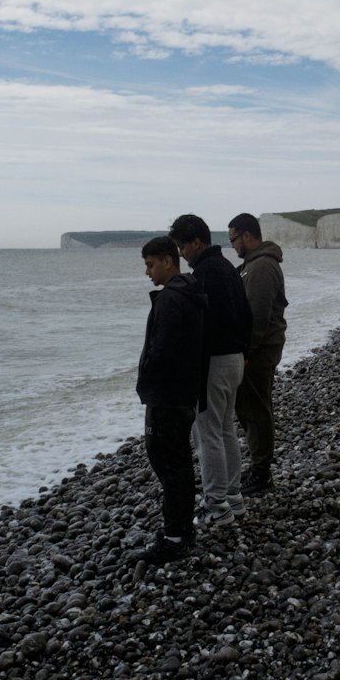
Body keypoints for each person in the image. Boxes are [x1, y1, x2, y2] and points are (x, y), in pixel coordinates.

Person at [169, 214, 253, 528]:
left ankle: (216, 506)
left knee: (208, 435)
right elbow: (247, 314)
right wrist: (244, 351)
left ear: (197, 242)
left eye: (182, 246)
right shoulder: (229, 269)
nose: (181, 253)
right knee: (226, 430)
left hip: (214, 362)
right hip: (234, 359)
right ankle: (233, 498)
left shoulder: (204, 274)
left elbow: (199, 328)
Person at [135, 235, 206, 566]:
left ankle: (174, 537)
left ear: (167, 260)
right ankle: (182, 531)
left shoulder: (170, 299)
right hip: (187, 392)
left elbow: (161, 350)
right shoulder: (192, 292)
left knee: (167, 462)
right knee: (179, 463)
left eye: (150, 265)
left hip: (167, 396)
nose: (148, 272)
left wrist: (147, 379)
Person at [227, 212, 287, 496]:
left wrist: (247, 352)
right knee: (253, 407)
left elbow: (258, 315)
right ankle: (259, 467)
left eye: (233, 240)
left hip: (260, 351)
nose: (233, 247)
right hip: (261, 348)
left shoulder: (261, 266)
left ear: (247, 236)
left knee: (255, 408)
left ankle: (262, 473)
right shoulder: (255, 264)